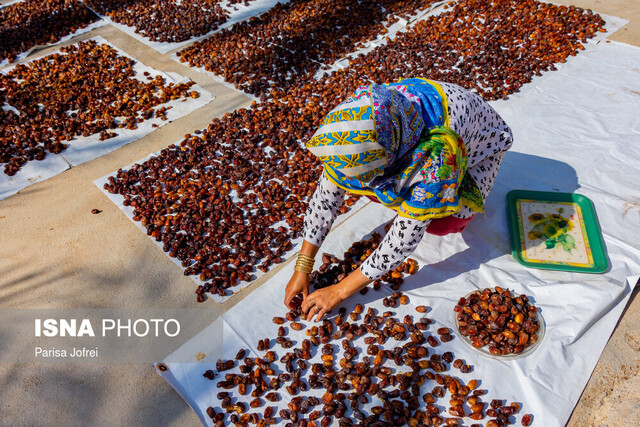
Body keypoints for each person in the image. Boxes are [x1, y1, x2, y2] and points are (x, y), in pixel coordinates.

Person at [284, 78, 513, 321]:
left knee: (443, 223)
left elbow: (403, 241)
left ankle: (440, 195)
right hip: (420, 134)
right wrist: (303, 266)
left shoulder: (436, 159)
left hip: (481, 146)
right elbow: (325, 200)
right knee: (374, 187)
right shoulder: (354, 129)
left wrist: (339, 291)